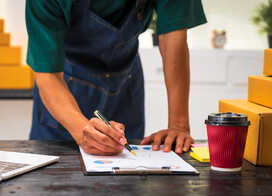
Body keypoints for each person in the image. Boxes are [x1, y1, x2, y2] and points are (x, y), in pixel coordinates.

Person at [25, 0, 207, 156]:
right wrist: (82, 131)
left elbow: (172, 37)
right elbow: (48, 74)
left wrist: (178, 125)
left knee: (126, 185)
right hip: (63, 95)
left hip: (125, 87)